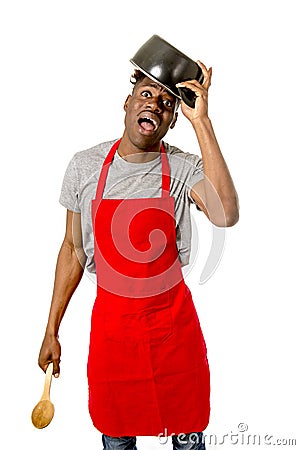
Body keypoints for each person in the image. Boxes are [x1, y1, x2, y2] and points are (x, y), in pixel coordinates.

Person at [38, 57, 239, 450]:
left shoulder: (183, 168)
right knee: (116, 438)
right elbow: (73, 248)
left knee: (187, 436)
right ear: (127, 103)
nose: (155, 105)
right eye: (146, 94)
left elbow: (226, 214)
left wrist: (202, 122)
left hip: (174, 337)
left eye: (167, 103)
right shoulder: (85, 166)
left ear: (172, 119)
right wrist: (51, 330)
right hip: (114, 340)